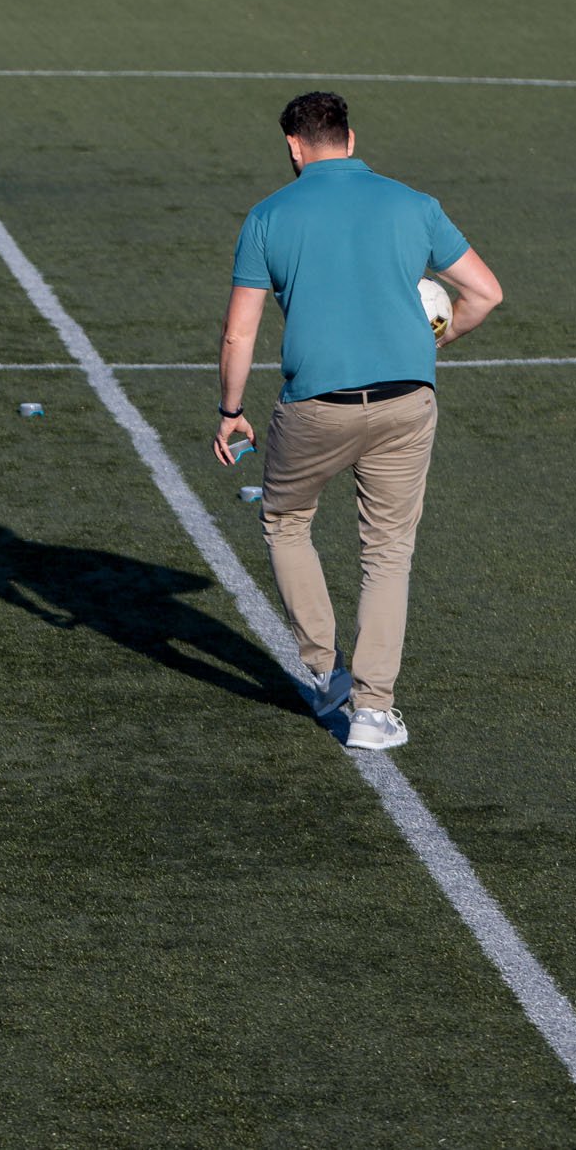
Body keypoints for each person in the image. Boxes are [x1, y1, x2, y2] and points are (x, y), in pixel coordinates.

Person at [213, 92, 502, 752]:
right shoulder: (414, 203)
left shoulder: (269, 215)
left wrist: (231, 411)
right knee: (388, 551)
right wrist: (434, 341)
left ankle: (322, 668)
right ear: (350, 138)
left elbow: (239, 332)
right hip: (407, 400)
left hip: (316, 405)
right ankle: (374, 709)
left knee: (286, 521)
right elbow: (485, 293)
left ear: (294, 146)